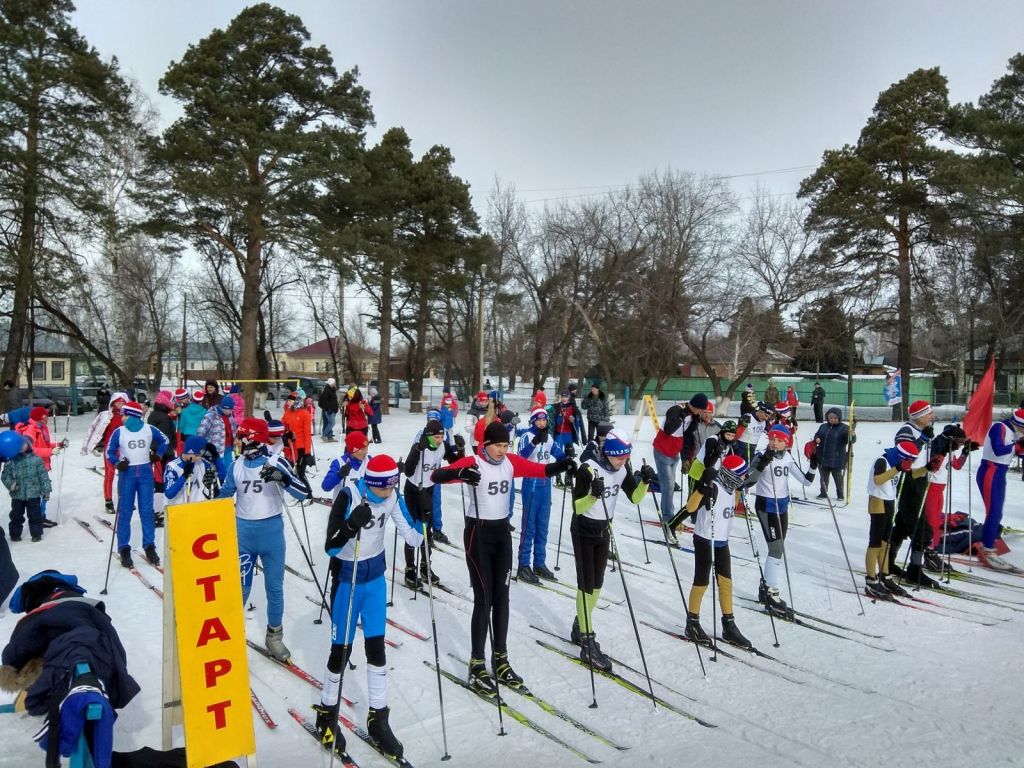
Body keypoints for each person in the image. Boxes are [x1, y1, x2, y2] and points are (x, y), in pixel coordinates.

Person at [431, 421, 574, 695]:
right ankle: (477, 664)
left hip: (501, 536)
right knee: (483, 600)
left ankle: (501, 660)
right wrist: (461, 472)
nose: (502, 450)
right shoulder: (473, 462)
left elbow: (540, 470)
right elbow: (438, 476)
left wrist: (563, 465)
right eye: (498, 445)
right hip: (478, 534)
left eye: (506, 445)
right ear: (485, 444)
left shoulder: (510, 462)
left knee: (502, 599)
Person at [314, 455, 424, 760]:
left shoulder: (392, 497)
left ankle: (378, 718)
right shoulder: (350, 495)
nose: (391, 492)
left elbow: (414, 539)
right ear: (374, 484)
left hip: (376, 582)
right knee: (341, 651)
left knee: (377, 650)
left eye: (393, 486)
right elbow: (331, 547)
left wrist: (423, 513)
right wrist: (350, 525)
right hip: (347, 582)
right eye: (386, 487)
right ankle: (326, 713)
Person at [0, 570, 140, 765]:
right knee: (86, 647)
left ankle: (81, 685)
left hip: (69, 651)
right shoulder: (91, 607)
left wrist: (13, 671)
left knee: (70, 650)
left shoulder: (38, 614)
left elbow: (15, 652)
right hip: (96, 644)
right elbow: (114, 643)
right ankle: (88, 682)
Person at [218, 417, 310, 662]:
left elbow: (303, 493)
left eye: (241, 436)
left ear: (253, 439)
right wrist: (212, 492)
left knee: (275, 588)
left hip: (271, 534)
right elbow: (224, 496)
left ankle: (274, 637)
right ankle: (230, 638)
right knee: (240, 589)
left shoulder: (275, 460)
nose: (237, 441)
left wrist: (284, 478)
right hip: (243, 535)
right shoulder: (236, 465)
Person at [568, 430, 653, 670]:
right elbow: (577, 506)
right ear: (608, 454)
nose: (623, 462)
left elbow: (635, 498)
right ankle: (587, 639)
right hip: (584, 529)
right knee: (586, 585)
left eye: (626, 458)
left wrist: (645, 482)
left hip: (604, 530)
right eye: (619, 458)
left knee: (597, 585)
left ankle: (579, 624)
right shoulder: (587, 469)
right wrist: (593, 495)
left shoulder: (623, 469)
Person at [681, 454, 753, 650]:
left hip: (722, 541)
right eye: (742, 475)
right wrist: (702, 487)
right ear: (733, 475)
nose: (744, 478)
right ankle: (692, 623)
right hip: (705, 538)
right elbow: (690, 507)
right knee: (702, 582)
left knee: (726, 583)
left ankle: (729, 625)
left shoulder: (732, 487)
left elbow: (733, 506)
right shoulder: (714, 486)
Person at [750, 423, 814, 617]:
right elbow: (748, 481)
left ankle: (765, 585)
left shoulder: (787, 457)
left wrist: (814, 464)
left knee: (777, 549)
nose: (774, 443)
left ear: (786, 442)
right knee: (776, 549)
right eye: (772, 439)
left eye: (779, 440)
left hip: (783, 506)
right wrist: (762, 465)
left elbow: (806, 481)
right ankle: (772, 592)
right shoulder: (761, 455)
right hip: (766, 506)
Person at [105, 402, 169, 568]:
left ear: (132, 416)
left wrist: (158, 455)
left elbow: (165, 441)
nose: (122, 418)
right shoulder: (120, 432)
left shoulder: (149, 429)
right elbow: (109, 451)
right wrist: (117, 463)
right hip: (127, 474)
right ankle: (124, 548)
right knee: (125, 511)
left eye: (124, 415)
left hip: (145, 473)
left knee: (147, 511)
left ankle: (149, 546)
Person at [402, 418, 464, 588]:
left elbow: (456, 464)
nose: (440, 440)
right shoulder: (420, 447)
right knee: (415, 529)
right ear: (428, 436)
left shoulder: (442, 446)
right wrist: (417, 449)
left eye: (442, 436)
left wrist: (461, 449)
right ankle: (410, 569)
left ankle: (425, 566)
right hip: (414, 490)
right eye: (436, 437)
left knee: (427, 531)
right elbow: (407, 471)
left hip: (428, 490)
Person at [516, 408, 568, 584]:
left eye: (544, 420)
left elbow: (557, 454)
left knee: (542, 527)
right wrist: (535, 442)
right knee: (529, 526)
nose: (542, 422)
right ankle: (523, 564)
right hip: (531, 482)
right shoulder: (527, 436)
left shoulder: (549, 437)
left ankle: (539, 562)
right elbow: (520, 457)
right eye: (538, 420)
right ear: (532, 421)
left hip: (545, 483)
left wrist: (567, 458)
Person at [888, 400, 936, 587]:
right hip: (908, 482)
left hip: (920, 479)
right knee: (921, 529)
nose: (932, 416)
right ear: (919, 416)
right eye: (929, 413)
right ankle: (915, 570)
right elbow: (905, 455)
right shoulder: (906, 431)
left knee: (901, 525)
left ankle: (888, 562)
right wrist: (923, 439)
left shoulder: (921, 431)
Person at [864, 441, 921, 598]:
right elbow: (878, 480)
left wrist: (928, 467)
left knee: (885, 543)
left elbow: (913, 474)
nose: (911, 463)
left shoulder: (898, 463)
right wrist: (898, 468)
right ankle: (870, 579)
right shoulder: (883, 460)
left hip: (889, 503)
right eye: (910, 459)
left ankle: (885, 575)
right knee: (875, 543)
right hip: (878, 502)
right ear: (902, 456)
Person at [975, 409, 1024, 571]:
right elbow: (998, 449)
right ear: (1019, 424)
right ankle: (987, 550)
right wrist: (1018, 443)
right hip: (990, 471)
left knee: (997, 512)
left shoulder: (1015, 431)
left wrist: (1020, 447)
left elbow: (1017, 451)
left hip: (999, 473)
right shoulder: (1000, 427)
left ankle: (989, 546)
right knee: (993, 512)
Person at [922, 424, 975, 571]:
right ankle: (928, 553)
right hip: (931, 487)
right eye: (959, 441)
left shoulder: (950, 448)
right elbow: (934, 467)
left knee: (937, 522)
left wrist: (965, 453)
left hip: (941, 489)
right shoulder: (938, 445)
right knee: (931, 522)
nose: (960, 444)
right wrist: (944, 452)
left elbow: (957, 465)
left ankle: (933, 551)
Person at [651, 393, 708, 525]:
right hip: (662, 451)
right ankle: (668, 518)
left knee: (669, 485)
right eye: (700, 409)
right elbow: (668, 430)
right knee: (669, 486)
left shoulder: (694, 417)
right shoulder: (677, 410)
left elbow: (687, 439)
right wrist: (681, 418)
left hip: (674, 454)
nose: (701, 412)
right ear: (695, 405)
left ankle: (669, 515)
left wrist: (685, 459)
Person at [81, 392, 129, 514]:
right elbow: (97, 431)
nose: (120, 404)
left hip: (125, 449)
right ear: (113, 402)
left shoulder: (129, 415)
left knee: (124, 475)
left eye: (123, 402)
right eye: (118, 402)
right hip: (110, 449)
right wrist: (97, 446)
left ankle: (123, 500)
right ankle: (108, 501)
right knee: (110, 475)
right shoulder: (106, 416)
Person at [17, 406, 64, 524]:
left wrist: (58, 444)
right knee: (40, 494)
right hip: (35, 467)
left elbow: (44, 445)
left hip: (42, 466)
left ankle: (41, 517)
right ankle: (38, 519)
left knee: (45, 492)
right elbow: (30, 450)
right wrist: (50, 452)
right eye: (44, 417)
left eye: (46, 417)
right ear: (37, 418)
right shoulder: (30, 430)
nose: (46, 419)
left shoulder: (41, 428)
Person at [1, 431, 50, 542]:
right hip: (17, 494)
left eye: (25, 443)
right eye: (20, 444)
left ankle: (36, 534)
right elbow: (5, 476)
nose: (22, 446)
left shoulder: (36, 460)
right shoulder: (12, 461)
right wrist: (11, 484)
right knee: (16, 516)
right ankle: (15, 534)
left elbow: (43, 476)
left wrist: (46, 491)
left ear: (29, 445)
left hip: (33, 494)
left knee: (35, 515)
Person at [148, 391, 178, 528]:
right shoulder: (164, 418)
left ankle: (156, 512)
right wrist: (168, 453)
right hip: (163, 455)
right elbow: (164, 438)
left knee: (158, 483)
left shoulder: (154, 415)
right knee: (161, 484)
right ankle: (157, 513)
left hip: (156, 454)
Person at [164, 435, 219, 506]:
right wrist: (184, 476)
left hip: (197, 509)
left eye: (200, 455)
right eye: (196, 455)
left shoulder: (202, 463)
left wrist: (216, 457)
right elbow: (169, 494)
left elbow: (222, 477)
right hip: (178, 511)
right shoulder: (173, 466)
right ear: (189, 452)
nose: (199, 458)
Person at [812, 407, 853, 501]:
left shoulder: (844, 428)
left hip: (837, 458)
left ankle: (840, 494)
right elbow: (817, 434)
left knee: (838, 478)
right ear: (828, 418)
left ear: (839, 418)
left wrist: (852, 435)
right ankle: (823, 493)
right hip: (823, 456)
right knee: (823, 477)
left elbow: (851, 440)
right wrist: (816, 438)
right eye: (831, 418)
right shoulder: (823, 426)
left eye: (835, 418)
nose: (833, 419)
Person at [197, 394, 236, 480]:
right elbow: (201, 431)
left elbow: (232, 428)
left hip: (228, 447)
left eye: (231, 409)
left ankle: (227, 485)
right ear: (223, 407)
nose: (230, 411)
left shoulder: (230, 416)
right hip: (216, 448)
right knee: (220, 469)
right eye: (229, 409)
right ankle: (218, 486)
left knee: (228, 468)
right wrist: (200, 446)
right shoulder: (210, 415)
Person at [281, 392, 313, 474]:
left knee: (300, 472)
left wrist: (308, 452)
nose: (288, 402)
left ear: (296, 401)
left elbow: (307, 434)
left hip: (301, 447)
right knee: (288, 471)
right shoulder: (287, 413)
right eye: (287, 400)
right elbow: (282, 427)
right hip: (290, 446)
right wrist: (286, 433)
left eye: (290, 401)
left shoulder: (305, 414)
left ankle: (304, 486)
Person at [736, 401, 773, 465]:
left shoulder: (766, 422)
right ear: (760, 411)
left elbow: (771, 434)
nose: (766, 418)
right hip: (741, 447)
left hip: (753, 448)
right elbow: (737, 434)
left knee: (748, 469)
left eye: (768, 417)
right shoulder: (747, 417)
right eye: (765, 415)